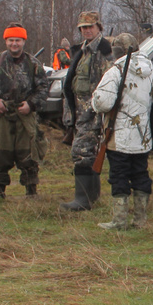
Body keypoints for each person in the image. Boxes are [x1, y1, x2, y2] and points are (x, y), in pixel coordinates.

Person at [0, 22, 50, 199]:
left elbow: (43, 88)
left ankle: (31, 192)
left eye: (17, 40)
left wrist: (31, 105)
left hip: (25, 116)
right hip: (1, 114)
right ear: (6, 41)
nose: (14, 44)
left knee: (29, 154)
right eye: (10, 40)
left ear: (23, 41)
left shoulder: (33, 64)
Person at [91, 32, 153, 231]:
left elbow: (103, 102)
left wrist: (94, 100)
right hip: (142, 135)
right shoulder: (150, 71)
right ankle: (140, 221)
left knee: (119, 176)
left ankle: (119, 222)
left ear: (116, 50)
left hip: (119, 135)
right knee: (140, 175)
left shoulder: (115, 71)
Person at [60, 11, 113, 211]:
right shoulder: (83, 50)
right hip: (81, 113)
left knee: (81, 152)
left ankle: (82, 200)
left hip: (93, 113)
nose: (86, 30)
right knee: (88, 153)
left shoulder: (104, 52)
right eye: (83, 27)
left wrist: (97, 114)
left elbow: (107, 85)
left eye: (90, 26)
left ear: (99, 27)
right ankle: (91, 197)